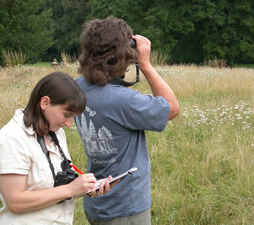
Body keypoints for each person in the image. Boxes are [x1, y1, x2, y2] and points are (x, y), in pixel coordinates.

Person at [74, 16, 180, 225]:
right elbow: (172, 108)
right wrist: (146, 65)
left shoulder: (77, 87)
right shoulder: (122, 100)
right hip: (125, 209)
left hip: (96, 203)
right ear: (124, 55)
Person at [0, 71, 113, 225]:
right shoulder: (11, 139)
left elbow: (54, 186)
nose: (69, 123)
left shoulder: (56, 132)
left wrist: (84, 188)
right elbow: (15, 202)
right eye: (67, 114)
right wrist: (70, 190)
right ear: (45, 103)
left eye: (73, 117)